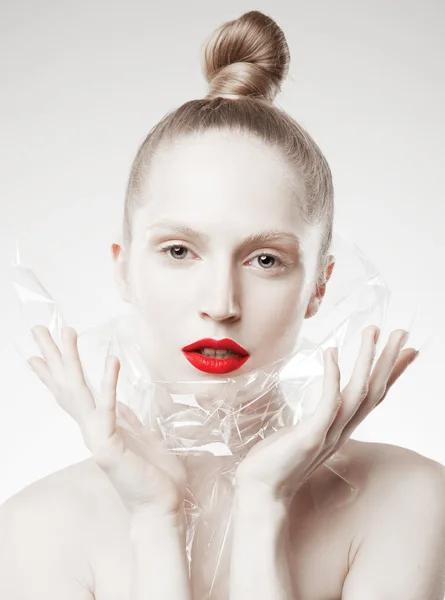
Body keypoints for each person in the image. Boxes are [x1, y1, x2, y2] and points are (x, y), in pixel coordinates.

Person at [1, 9, 445, 600]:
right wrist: (155, 522)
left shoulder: (410, 499)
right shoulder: (33, 532)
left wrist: (266, 503)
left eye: (264, 259)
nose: (221, 304)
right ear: (123, 268)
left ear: (319, 284)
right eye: (180, 250)